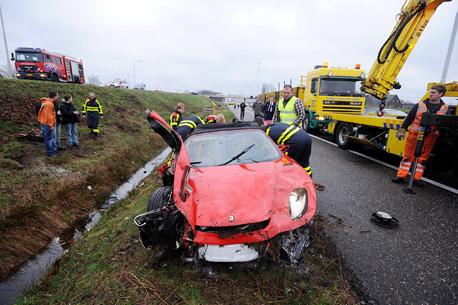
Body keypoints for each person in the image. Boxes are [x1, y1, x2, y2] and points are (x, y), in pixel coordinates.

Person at [392, 85, 448, 185]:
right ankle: (401, 176)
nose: (430, 94)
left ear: (441, 94)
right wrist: (402, 130)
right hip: (415, 135)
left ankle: (417, 178)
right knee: (408, 157)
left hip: (430, 137)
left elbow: (444, 122)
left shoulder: (445, 108)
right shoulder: (420, 105)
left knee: (423, 159)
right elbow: (409, 118)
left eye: (433, 92)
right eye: (430, 92)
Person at [37, 91, 58, 157]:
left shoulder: (46, 102)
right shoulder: (49, 104)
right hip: (47, 124)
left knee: (48, 138)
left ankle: (51, 152)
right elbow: (48, 116)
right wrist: (51, 125)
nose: (58, 97)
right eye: (57, 96)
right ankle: (50, 153)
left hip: (44, 122)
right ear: (54, 96)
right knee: (49, 139)